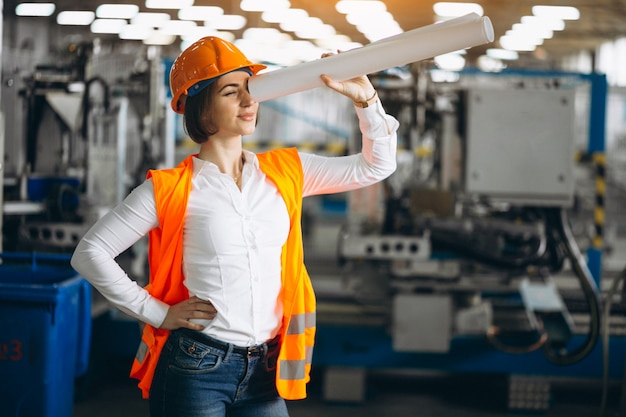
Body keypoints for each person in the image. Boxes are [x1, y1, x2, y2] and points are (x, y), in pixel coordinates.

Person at [71, 36, 398, 417]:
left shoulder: (287, 171)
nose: (249, 101)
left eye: (251, 89)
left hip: (266, 368)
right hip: (196, 366)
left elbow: (376, 166)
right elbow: (90, 253)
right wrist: (158, 313)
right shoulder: (170, 189)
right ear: (200, 108)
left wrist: (366, 101)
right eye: (231, 92)